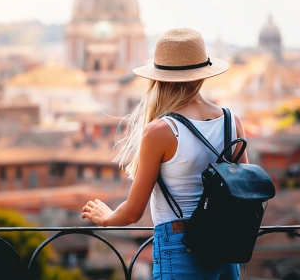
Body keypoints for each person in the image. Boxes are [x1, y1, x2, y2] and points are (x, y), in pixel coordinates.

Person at [82, 28, 247, 279]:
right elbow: (244, 193)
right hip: (225, 250)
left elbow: (134, 212)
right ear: (203, 75)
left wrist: (106, 217)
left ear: (159, 78)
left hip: (181, 249)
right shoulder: (231, 121)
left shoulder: (161, 130)